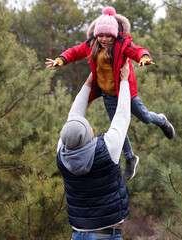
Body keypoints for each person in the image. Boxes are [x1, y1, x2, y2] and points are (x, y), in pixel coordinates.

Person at [48, 6, 175, 180]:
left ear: (114, 35)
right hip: (108, 95)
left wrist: (144, 57)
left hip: (126, 93)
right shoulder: (91, 45)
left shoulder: (122, 45)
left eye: (108, 36)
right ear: (96, 34)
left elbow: (136, 50)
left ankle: (162, 120)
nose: (104, 39)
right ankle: (130, 157)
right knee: (117, 127)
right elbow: (74, 52)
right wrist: (60, 60)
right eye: (101, 35)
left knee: (145, 117)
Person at [56, 60, 131, 240]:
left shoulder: (62, 153)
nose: (91, 128)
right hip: (105, 235)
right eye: (88, 127)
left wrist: (88, 83)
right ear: (86, 135)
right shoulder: (107, 149)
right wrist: (124, 81)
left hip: (78, 235)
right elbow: (122, 115)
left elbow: (73, 118)